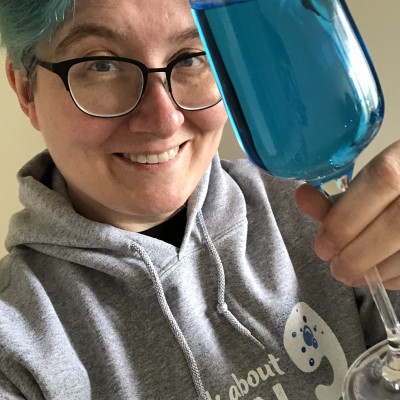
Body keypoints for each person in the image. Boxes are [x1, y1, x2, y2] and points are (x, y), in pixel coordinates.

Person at [0, 0, 400, 399]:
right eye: (101, 65)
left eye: (193, 57)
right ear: (25, 90)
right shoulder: (14, 344)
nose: (164, 118)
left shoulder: (315, 213)